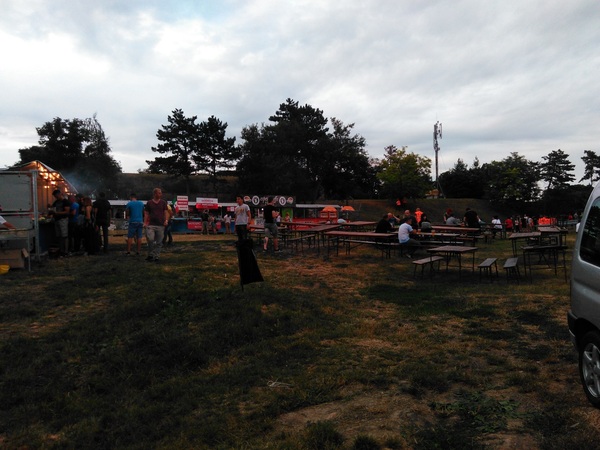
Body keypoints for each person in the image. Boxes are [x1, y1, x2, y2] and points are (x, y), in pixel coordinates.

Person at [144, 187, 168, 262]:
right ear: (155, 194)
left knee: (159, 242)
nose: (161, 194)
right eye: (159, 193)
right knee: (150, 239)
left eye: (161, 193)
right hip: (151, 224)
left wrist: (166, 220)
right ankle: (150, 254)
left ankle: (156, 256)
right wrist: (145, 222)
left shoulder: (163, 202)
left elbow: (165, 212)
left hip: (160, 224)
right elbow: (146, 213)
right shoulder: (149, 203)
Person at [50, 189, 70, 257]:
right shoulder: (56, 202)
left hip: (63, 220)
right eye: (55, 196)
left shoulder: (65, 201)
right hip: (57, 220)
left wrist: (57, 213)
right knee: (59, 236)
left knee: (64, 236)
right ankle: (61, 250)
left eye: (56, 196)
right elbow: (52, 208)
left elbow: (67, 211)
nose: (56, 197)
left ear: (59, 194)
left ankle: (65, 251)